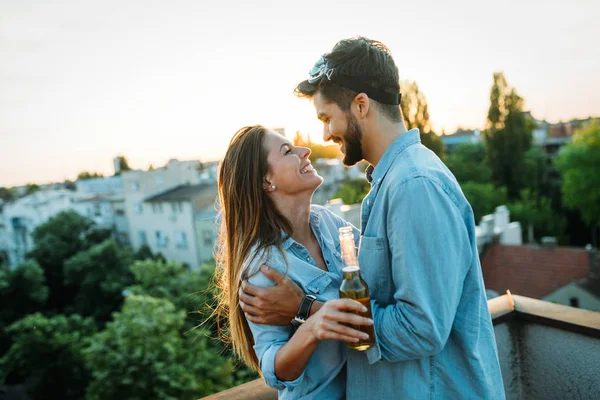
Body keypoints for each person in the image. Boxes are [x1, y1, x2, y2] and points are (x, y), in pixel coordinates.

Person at [240, 37, 506, 399]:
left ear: (361, 105)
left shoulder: (414, 185)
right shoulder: (391, 182)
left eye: (327, 117)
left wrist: (307, 308)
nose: (324, 134)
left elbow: (419, 329)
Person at [214, 125, 373, 399]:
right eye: (288, 151)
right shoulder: (263, 267)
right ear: (266, 181)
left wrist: (304, 306)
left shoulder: (327, 221)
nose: (305, 150)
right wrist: (311, 327)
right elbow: (275, 371)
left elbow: (381, 271)